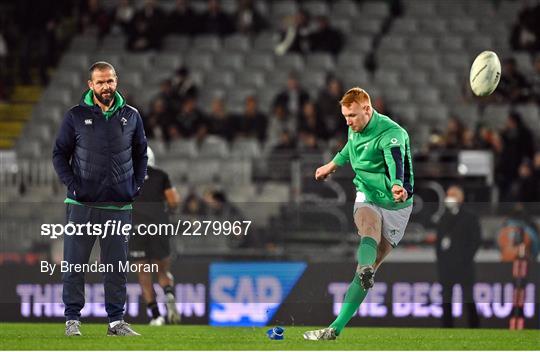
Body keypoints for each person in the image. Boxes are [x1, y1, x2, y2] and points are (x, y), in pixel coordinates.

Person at [303, 87, 413, 340]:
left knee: (371, 264)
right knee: (368, 230)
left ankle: (337, 325)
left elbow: (396, 160)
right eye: (345, 117)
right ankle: (337, 323)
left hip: (397, 203)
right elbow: (349, 149)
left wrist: (397, 185)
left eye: (352, 115)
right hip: (366, 193)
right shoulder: (355, 127)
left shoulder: (391, 133)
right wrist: (331, 165)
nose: (348, 121)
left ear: (367, 109)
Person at [52, 61, 147, 336]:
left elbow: (141, 154)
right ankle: (72, 320)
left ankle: (116, 322)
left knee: (116, 268)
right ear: (90, 85)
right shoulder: (75, 116)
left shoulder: (132, 116)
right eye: (101, 82)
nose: (107, 86)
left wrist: (136, 186)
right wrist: (74, 186)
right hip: (81, 205)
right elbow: (59, 154)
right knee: (74, 264)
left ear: (116, 81)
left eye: (111, 81)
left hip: (118, 206)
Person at [130, 147, 181, 326]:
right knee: (163, 270)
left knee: (144, 274)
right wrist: (168, 212)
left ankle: (156, 316)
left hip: (136, 227)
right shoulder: (161, 175)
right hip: (159, 226)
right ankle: (168, 292)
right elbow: (173, 201)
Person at [434, 185, 481, 328]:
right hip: (447, 268)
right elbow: (438, 242)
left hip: (464, 267)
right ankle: (447, 329)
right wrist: (442, 260)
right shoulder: (443, 217)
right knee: (446, 300)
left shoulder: (470, 217)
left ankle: (474, 328)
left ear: (461, 198)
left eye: (453, 194)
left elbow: (475, 241)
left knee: (468, 298)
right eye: (448, 194)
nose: (449, 198)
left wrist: (464, 259)